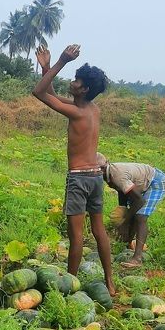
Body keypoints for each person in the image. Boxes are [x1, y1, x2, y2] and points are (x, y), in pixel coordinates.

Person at [33, 45, 115, 296]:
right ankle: (110, 283)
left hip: (79, 179)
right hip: (95, 178)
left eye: (77, 80)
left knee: (77, 236)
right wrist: (46, 68)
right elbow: (53, 96)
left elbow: (39, 92)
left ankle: (70, 286)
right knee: (99, 231)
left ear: (85, 89)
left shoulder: (76, 112)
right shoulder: (90, 109)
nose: (73, 81)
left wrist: (61, 61)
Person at [97, 154, 165, 267]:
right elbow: (121, 191)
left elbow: (140, 201)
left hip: (156, 181)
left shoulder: (116, 175)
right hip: (141, 184)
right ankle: (128, 244)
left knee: (140, 217)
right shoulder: (108, 174)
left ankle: (137, 258)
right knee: (132, 214)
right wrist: (123, 212)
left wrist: (125, 221)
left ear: (101, 169)